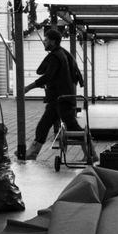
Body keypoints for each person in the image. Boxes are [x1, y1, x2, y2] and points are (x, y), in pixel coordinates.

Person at [23, 27, 86, 161]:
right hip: (57, 99)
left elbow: (48, 76)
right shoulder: (60, 54)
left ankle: (91, 155)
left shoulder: (56, 56)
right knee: (43, 126)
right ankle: (32, 153)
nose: (44, 42)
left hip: (62, 99)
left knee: (73, 128)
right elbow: (51, 75)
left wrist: (28, 88)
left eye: (46, 40)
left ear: (53, 41)